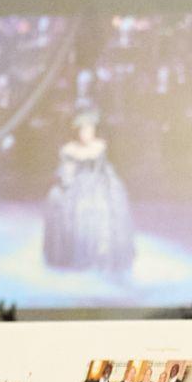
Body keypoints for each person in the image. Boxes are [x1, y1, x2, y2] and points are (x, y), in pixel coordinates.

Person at [42, 104, 135, 276]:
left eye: (89, 129)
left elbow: (105, 169)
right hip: (76, 191)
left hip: (98, 189)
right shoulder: (70, 150)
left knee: (101, 224)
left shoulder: (100, 147)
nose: (86, 133)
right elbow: (65, 171)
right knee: (76, 221)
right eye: (82, 130)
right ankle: (74, 260)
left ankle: (102, 260)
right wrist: (65, 182)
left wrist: (110, 183)